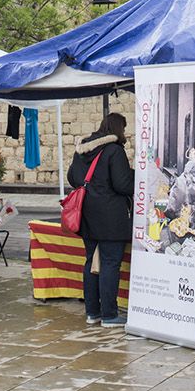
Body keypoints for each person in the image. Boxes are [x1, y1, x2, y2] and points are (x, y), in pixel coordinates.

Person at [66, 112, 135, 328]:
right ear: (118, 129)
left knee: (91, 261)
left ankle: (92, 312)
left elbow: (72, 177)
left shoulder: (82, 149)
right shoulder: (114, 151)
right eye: (123, 129)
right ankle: (109, 315)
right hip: (111, 218)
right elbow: (123, 185)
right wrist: (135, 176)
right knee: (109, 263)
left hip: (87, 214)